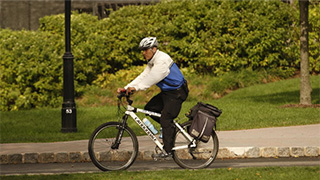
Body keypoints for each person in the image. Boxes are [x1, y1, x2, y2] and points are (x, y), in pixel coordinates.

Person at [117, 37, 189, 158]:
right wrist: (126, 88)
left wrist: (136, 88)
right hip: (167, 92)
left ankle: (168, 150)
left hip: (177, 93)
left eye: (145, 50)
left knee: (166, 119)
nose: (143, 53)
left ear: (154, 49)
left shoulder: (161, 61)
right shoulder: (152, 60)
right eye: (142, 50)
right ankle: (169, 129)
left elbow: (152, 78)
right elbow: (144, 75)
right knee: (150, 109)